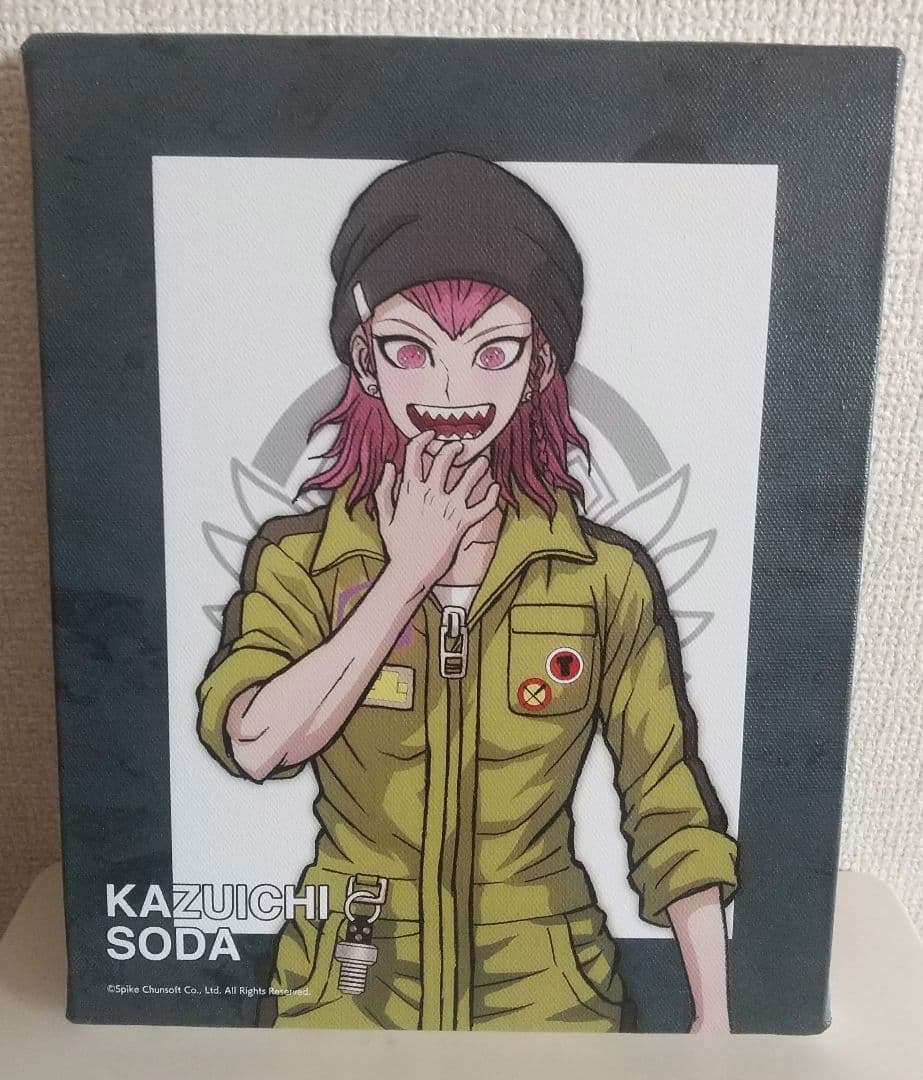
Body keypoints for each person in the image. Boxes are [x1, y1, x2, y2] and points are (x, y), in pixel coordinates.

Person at [197, 152, 739, 1033]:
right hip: (345, 990)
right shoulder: (299, 560)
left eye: (492, 352)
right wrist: (405, 573)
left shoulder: (602, 577)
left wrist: (715, 1022)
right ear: (365, 359)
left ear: (538, 365)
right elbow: (255, 743)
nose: (451, 392)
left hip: (548, 995)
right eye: (412, 349)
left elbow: (667, 804)